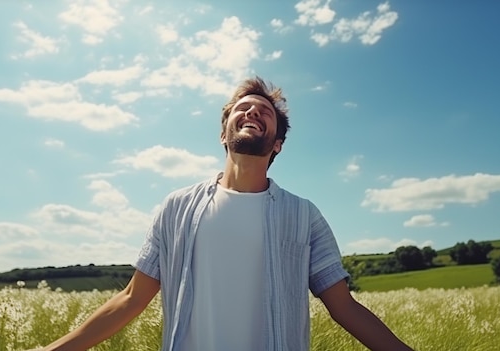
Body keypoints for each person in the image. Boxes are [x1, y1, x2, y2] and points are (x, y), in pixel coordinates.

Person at [38, 77, 414, 351]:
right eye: (243, 108)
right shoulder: (176, 208)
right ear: (224, 133)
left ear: (277, 143)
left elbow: (345, 308)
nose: (253, 111)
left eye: (264, 111)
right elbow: (132, 299)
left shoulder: (304, 216)